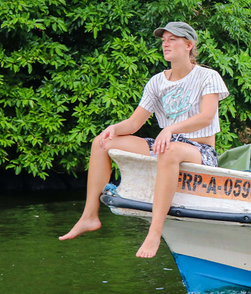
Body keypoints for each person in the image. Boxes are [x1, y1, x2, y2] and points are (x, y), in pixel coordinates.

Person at [59, 21, 229, 258]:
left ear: (189, 45)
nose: (165, 44)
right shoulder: (157, 82)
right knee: (102, 141)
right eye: (163, 40)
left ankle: (154, 233)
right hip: (166, 144)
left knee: (169, 150)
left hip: (199, 150)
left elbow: (206, 116)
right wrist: (113, 128)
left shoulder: (207, 76)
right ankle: (89, 216)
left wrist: (170, 130)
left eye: (172, 39)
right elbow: (134, 123)